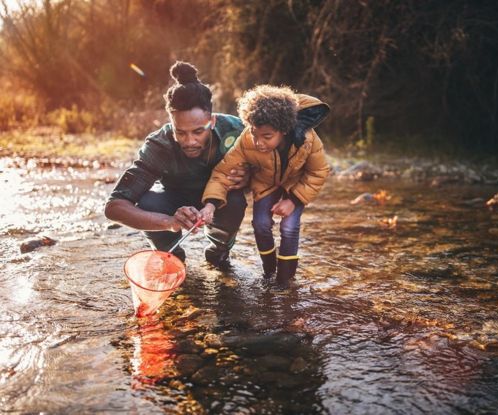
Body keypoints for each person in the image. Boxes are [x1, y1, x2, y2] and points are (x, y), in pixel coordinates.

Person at [104, 61, 250, 266]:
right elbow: (114, 207)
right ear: (171, 122)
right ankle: (171, 257)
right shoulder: (158, 145)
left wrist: (249, 177)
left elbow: (273, 166)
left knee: (236, 200)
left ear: (212, 121)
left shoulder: (237, 130)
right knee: (148, 202)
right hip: (173, 201)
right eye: (180, 132)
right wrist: (168, 223)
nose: (190, 141)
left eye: (198, 131)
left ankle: (219, 251)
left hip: (221, 201)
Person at [199, 85, 331, 284]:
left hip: (295, 187)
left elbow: (319, 172)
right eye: (254, 133)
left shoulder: (308, 140)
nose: (258, 141)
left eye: (267, 136)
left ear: (284, 130)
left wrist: (293, 200)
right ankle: (269, 273)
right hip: (265, 184)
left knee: (289, 227)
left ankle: (285, 281)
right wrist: (210, 203)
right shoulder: (247, 140)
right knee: (260, 224)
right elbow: (222, 172)